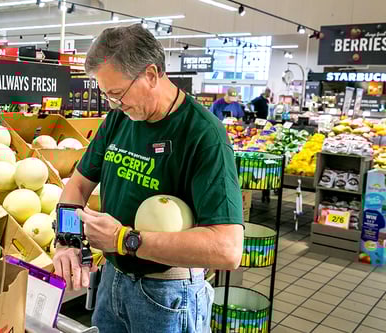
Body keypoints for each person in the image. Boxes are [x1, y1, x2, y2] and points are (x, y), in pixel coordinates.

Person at [53, 24, 244, 333]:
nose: (114, 104)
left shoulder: (203, 135)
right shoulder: (120, 118)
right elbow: (77, 185)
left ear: (152, 74)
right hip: (113, 282)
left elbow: (227, 248)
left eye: (118, 94)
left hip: (167, 296)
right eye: (107, 96)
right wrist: (66, 239)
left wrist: (124, 239)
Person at [248, 88, 272, 202]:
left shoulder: (265, 100)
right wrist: (253, 112)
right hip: (258, 122)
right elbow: (249, 103)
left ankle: (266, 193)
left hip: (264, 122)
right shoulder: (258, 99)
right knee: (257, 136)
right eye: (269, 93)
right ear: (265, 92)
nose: (269, 95)